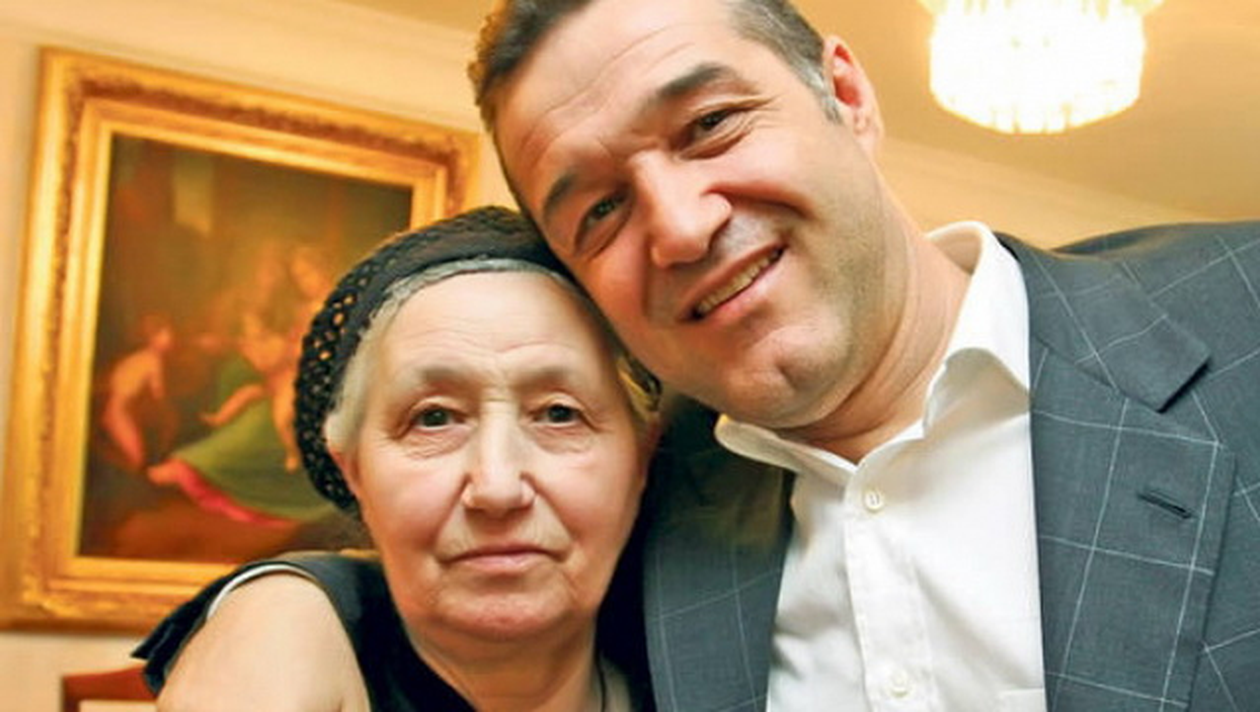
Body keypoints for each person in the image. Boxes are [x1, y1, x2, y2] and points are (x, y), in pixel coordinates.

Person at [138, 0, 1260, 710]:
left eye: (711, 124)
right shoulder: (669, 495)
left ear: (847, 96)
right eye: (597, 210)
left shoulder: (1237, 319)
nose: (678, 227)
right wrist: (288, 603)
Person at [140, 206, 661, 711]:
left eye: (559, 414)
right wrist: (282, 604)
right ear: (354, 471)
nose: (497, 487)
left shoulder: (696, 664)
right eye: (433, 418)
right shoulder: (285, 638)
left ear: (639, 460)